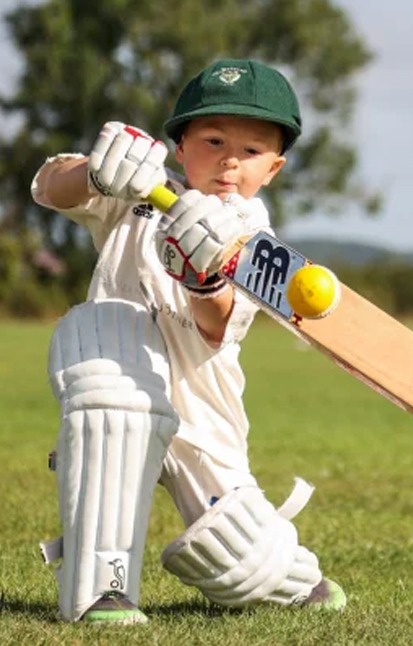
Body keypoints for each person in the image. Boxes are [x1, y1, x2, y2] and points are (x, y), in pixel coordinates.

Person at [32, 58, 346, 624]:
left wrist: (206, 276)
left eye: (251, 151)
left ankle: (292, 575)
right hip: (117, 363)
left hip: (203, 401)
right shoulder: (138, 189)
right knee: (115, 405)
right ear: (180, 146)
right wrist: (96, 173)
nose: (230, 159)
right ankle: (106, 589)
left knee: (246, 561)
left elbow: (216, 326)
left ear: (273, 168)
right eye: (213, 139)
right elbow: (51, 189)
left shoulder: (257, 245)